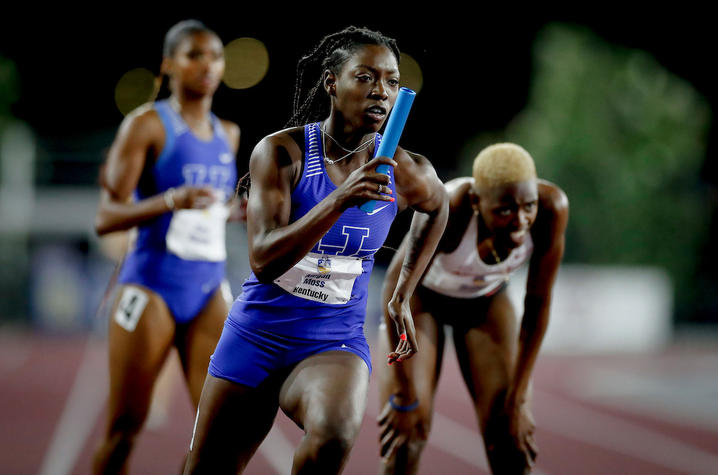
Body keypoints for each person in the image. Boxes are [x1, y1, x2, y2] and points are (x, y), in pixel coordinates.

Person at [184, 26, 448, 474]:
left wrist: (402, 290)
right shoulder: (280, 153)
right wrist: (339, 199)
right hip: (256, 334)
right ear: (331, 83)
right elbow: (264, 260)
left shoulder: (406, 170)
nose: (380, 92)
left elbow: (438, 207)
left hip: (334, 339)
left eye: (390, 80)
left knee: (333, 436)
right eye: (365, 77)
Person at [92, 20, 240, 474]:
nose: (208, 65)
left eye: (215, 55)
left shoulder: (228, 134)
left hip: (208, 287)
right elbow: (105, 217)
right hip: (152, 283)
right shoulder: (147, 124)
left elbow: (212, 206)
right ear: (169, 63)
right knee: (124, 429)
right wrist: (171, 200)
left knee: (219, 432)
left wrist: (234, 210)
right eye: (195, 55)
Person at [377, 143, 569, 474]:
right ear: (478, 202)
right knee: (407, 438)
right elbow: (395, 296)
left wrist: (520, 401)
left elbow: (537, 306)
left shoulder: (552, 209)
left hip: (485, 304)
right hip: (422, 303)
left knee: (510, 440)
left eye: (528, 206)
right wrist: (403, 393)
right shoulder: (448, 206)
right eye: (505, 210)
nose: (520, 221)